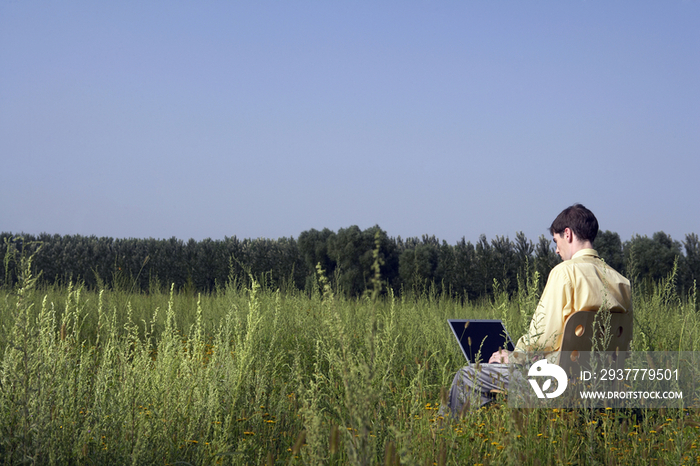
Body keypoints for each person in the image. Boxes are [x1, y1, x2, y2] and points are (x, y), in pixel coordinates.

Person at [445, 204, 632, 416]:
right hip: (600, 382)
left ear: (568, 234)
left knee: (468, 375)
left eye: (556, 241)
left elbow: (541, 339)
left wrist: (511, 356)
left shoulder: (564, 273)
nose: (556, 249)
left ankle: (449, 439)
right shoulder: (621, 282)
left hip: (557, 382)